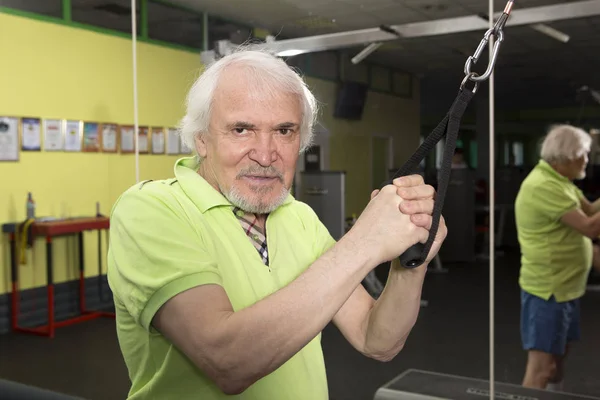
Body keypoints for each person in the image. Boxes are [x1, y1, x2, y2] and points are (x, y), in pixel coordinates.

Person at [106, 49, 447, 400]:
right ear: (202, 140)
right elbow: (228, 360)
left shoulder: (298, 216)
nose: (266, 155)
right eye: (242, 129)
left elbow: (376, 340)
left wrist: (414, 256)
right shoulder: (151, 209)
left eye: (284, 131)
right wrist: (364, 242)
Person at [515, 124, 600, 391]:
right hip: (548, 291)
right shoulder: (543, 186)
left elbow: (588, 210)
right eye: (584, 154)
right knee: (542, 368)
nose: (587, 160)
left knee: (559, 356)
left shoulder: (560, 182)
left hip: (566, 288)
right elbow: (590, 227)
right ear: (567, 156)